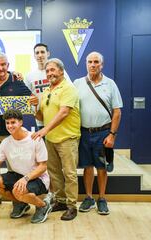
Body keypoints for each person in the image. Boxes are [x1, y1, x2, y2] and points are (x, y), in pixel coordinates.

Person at [0, 52, 35, 208]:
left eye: (3, 64)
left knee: (14, 169)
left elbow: (31, 98)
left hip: (11, 134)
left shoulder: (16, 81)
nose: (0, 68)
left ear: (8, 66)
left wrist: (34, 99)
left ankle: (17, 200)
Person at [74, 52, 122, 215]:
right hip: (84, 133)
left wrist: (112, 135)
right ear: (86, 64)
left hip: (103, 133)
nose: (93, 65)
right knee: (87, 166)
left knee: (102, 167)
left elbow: (117, 112)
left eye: (96, 62)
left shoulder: (110, 84)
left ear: (102, 65)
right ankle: (88, 198)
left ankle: (102, 198)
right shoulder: (78, 83)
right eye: (90, 62)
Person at [32, 58, 80, 221]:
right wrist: (34, 107)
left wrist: (45, 130)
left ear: (61, 71)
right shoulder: (47, 91)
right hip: (51, 140)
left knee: (69, 173)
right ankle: (60, 201)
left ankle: (72, 206)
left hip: (67, 138)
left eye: (53, 70)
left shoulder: (68, 88)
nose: (50, 73)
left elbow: (64, 112)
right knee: (53, 173)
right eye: (47, 71)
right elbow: (41, 116)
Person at [0, 109, 52, 223]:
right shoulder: (6, 142)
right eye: (7, 123)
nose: (10, 126)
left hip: (38, 179)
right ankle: (21, 203)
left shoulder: (34, 138)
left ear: (21, 122)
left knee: (18, 191)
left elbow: (43, 167)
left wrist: (26, 178)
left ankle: (43, 206)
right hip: (19, 176)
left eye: (13, 122)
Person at [25, 43, 71, 130]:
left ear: (48, 54)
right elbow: (27, 98)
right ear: (34, 56)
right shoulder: (29, 76)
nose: (40, 55)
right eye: (37, 53)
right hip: (40, 120)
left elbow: (69, 88)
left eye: (42, 52)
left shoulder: (59, 72)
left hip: (58, 117)